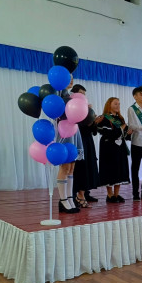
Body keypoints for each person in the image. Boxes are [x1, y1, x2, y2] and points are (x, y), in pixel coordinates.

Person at [97, 97, 132, 203]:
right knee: (110, 169)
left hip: (119, 147)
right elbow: (106, 133)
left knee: (119, 169)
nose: (118, 106)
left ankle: (116, 195)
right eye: (115, 104)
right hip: (108, 148)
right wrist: (121, 129)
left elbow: (124, 135)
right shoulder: (104, 118)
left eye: (119, 104)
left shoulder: (120, 119)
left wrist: (128, 133)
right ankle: (110, 195)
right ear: (109, 105)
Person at [71, 84, 99, 208]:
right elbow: (75, 126)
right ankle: (77, 195)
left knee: (88, 165)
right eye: (81, 93)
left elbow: (94, 131)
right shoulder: (71, 107)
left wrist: (93, 121)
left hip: (88, 141)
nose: (83, 96)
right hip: (77, 140)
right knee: (79, 167)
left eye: (84, 94)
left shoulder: (87, 109)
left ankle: (85, 193)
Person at [57, 75, 81, 214]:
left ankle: (70, 197)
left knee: (72, 166)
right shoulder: (58, 93)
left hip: (73, 129)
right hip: (64, 130)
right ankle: (63, 199)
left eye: (72, 77)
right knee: (65, 166)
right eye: (68, 77)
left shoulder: (70, 95)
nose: (71, 80)